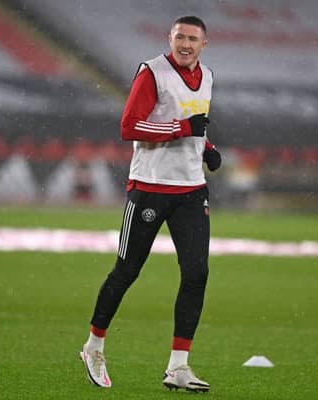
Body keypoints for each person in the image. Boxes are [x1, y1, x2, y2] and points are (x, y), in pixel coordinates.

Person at [79, 15, 221, 392]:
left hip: (191, 190)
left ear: (204, 44)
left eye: (192, 38)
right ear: (170, 38)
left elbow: (193, 122)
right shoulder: (152, 72)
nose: (185, 44)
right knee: (126, 271)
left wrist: (206, 148)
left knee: (196, 274)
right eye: (180, 37)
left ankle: (178, 366)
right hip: (150, 187)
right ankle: (93, 346)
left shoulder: (207, 76)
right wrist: (184, 130)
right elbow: (130, 126)